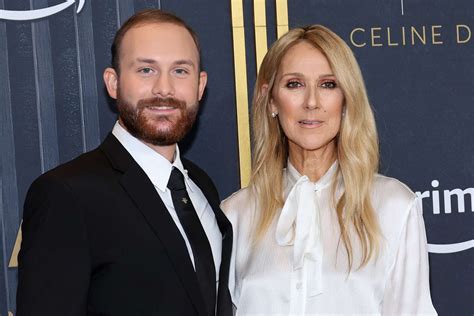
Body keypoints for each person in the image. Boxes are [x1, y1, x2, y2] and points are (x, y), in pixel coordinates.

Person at [17, 9, 232, 316]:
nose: (164, 88)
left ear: (200, 86)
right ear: (113, 82)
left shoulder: (201, 187)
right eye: (146, 70)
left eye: (180, 71)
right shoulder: (67, 195)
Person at [222, 25, 437, 315]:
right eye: (294, 84)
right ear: (271, 99)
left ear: (347, 100)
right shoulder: (235, 215)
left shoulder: (393, 206)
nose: (312, 102)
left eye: (328, 85)